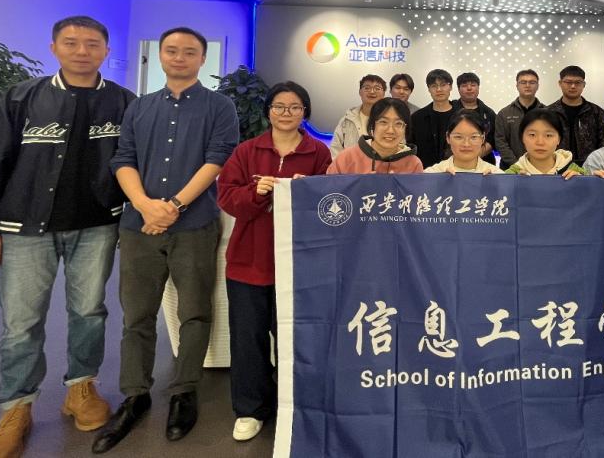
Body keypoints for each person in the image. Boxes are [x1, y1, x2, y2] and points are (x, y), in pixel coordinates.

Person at [0, 16, 135, 458]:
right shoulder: (20, 98)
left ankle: (81, 388)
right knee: (21, 323)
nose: (82, 51)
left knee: (90, 312)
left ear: (106, 51)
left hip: (96, 224)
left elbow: (134, 161)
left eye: (91, 44)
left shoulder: (123, 102)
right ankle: (16, 408)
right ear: (54, 47)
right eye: (71, 43)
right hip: (25, 227)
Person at [93, 27, 239, 453]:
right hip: (139, 228)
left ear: (201, 58)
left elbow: (217, 159)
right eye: (172, 51)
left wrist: (173, 205)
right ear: (160, 56)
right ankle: (134, 395)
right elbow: (123, 159)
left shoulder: (220, 106)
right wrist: (144, 205)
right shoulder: (139, 107)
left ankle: (183, 391)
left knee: (194, 311)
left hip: (194, 226)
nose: (179, 57)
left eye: (189, 52)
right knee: (136, 315)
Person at [216, 81, 331, 442]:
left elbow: (329, 207)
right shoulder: (247, 151)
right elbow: (227, 198)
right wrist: (257, 192)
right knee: (247, 339)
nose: (286, 113)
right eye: (279, 106)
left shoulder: (319, 154)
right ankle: (250, 409)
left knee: (294, 339)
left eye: (295, 107)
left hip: (299, 267)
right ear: (268, 111)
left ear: (305, 113)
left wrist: (305, 194)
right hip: (248, 262)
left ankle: (292, 405)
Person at [327, 98, 424, 174]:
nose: (390, 130)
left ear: (405, 128)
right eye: (383, 122)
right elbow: (330, 191)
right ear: (372, 126)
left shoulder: (414, 164)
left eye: (398, 123)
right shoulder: (346, 158)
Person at [547, 65, 604, 165]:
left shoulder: (596, 112)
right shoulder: (548, 113)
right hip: (555, 167)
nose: (573, 86)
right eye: (568, 82)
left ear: (584, 84)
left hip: (590, 167)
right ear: (560, 83)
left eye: (578, 82)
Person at [504, 109, 590, 178]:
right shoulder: (511, 174)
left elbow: (591, 191)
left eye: (548, 135)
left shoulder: (575, 171)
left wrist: (581, 183)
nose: (540, 142)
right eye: (532, 135)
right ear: (522, 138)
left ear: (559, 139)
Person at [494, 69, 545, 170]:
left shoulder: (547, 112)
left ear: (538, 86)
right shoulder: (504, 113)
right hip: (510, 169)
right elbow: (500, 142)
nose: (527, 85)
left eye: (532, 82)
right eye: (523, 82)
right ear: (517, 85)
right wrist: (517, 166)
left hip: (540, 168)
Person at [424, 110, 503, 174]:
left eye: (473, 137)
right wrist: (438, 183)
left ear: (483, 138)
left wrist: (494, 185)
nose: (466, 144)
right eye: (458, 137)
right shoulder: (432, 174)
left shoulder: (497, 175)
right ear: (448, 137)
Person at [329, 74, 386, 158]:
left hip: (381, 165)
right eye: (367, 88)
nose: (372, 91)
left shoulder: (392, 120)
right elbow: (335, 148)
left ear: (384, 93)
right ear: (360, 92)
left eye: (377, 88)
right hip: (350, 165)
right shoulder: (347, 119)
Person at [410, 69, 457, 168]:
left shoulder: (461, 116)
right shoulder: (417, 118)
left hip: (456, 171)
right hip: (424, 172)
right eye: (434, 86)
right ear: (429, 89)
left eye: (443, 85)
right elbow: (411, 148)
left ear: (451, 87)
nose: (439, 89)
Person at [452, 72, 497, 159]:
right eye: (464, 85)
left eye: (473, 85)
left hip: (484, 161)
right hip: (454, 160)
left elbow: (494, 139)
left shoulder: (489, 113)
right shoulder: (450, 110)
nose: (469, 88)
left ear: (478, 88)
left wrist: (477, 154)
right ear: (458, 89)